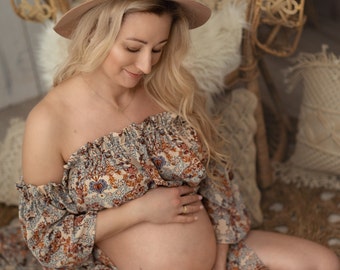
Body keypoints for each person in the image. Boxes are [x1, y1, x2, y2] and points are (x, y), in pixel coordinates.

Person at [17, 0, 340, 269]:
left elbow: (217, 175)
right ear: (94, 36)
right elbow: (48, 239)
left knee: (323, 262)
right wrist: (138, 211)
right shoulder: (49, 120)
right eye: (133, 48)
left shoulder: (169, 90)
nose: (145, 65)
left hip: (216, 255)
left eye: (158, 49)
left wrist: (222, 252)